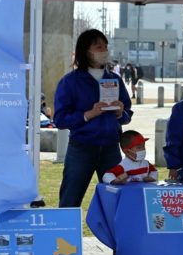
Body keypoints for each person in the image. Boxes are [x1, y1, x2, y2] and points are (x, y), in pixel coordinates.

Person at [53, 29, 133, 207]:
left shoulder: (115, 79)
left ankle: (109, 227)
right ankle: (67, 227)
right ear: (86, 51)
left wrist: (120, 113)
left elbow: (128, 114)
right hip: (82, 147)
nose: (104, 51)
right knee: (70, 199)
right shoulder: (70, 81)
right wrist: (88, 114)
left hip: (111, 147)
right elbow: (60, 119)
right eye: (98, 47)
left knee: (117, 201)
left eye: (106, 47)